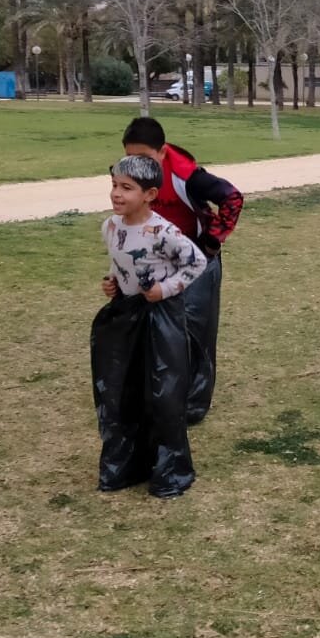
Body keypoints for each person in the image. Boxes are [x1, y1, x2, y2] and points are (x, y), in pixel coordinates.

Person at [92, 155, 207, 497]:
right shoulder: (110, 227)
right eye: (114, 185)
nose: (116, 194)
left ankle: (169, 470)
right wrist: (113, 283)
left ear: (150, 194)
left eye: (126, 188)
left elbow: (195, 263)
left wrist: (164, 290)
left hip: (160, 318)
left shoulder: (164, 233)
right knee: (123, 388)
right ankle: (128, 464)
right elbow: (120, 260)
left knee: (162, 392)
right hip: (126, 316)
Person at [121, 117, 244, 425]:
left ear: (162, 152)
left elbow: (232, 197)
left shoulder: (185, 175)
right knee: (154, 329)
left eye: (145, 158)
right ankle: (156, 395)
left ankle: (193, 405)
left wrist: (210, 243)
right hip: (155, 259)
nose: (137, 165)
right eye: (130, 157)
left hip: (196, 260)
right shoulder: (127, 174)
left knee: (195, 332)